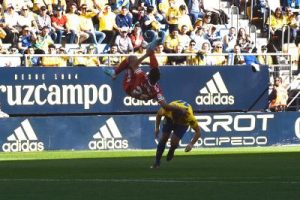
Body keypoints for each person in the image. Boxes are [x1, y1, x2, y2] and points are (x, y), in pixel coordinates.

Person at [103, 39, 187, 112]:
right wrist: (180, 108)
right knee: (142, 65)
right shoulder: (156, 91)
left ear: (148, 75)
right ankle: (150, 49)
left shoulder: (142, 76)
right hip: (140, 93)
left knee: (131, 58)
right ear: (157, 80)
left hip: (129, 87)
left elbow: (134, 64)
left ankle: (115, 73)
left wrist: (146, 55)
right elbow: (166, 106)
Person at [151, 100, 201, 169]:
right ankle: (157, 162)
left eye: (177, 121)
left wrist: (191, 144)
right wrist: (157, 128)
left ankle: (172, 149)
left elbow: (198, 132)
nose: (175, 122)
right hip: (169, 119)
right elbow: (158, 115)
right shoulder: (168, 110)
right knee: (164, 138)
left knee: (174, 142)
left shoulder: (189, 117)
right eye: (174, 120)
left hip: (183, 124)